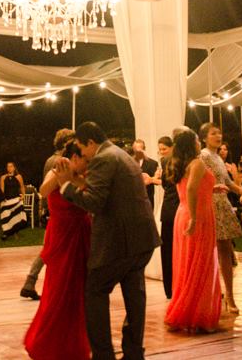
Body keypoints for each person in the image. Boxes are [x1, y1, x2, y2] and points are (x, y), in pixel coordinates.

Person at [53, 121, 160, 360]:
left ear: (91, 142)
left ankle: (103, 355)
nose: (83, 154)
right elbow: (109, 194)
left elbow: (94, 202)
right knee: (135, 296)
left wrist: (66, 185)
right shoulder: (122, 155)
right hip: (142, 239)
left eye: (82, 148)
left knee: (95, 291)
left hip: (119, 242)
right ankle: (134, 352)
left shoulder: (103, 158)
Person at [24, 140, 93, 359]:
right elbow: (43, 191)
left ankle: (75, 342)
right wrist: (60, 175)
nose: (88, 163)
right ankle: (48, 340)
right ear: (74, 158)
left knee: (78, 291)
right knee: (57, 290)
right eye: (85, 159)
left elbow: (92, 195)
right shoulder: (56, 170)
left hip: (81, 235)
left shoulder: (86, 175)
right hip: (61, 235)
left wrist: (72, 178)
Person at [164, 128, 221, 333]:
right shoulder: (197, 163)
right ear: (192, 143)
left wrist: (213, 188)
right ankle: (198, 316)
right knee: (201, 264)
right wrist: (195, 218)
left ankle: (187, 311)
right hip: (197, 216)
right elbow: (190, 188)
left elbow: (191, 187)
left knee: (187, 264)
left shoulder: (180, 163)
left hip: (184, 213)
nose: (199, 142)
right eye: (197, 139)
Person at [20, 128, 75, 301]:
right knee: (51, 248)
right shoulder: (59, 161)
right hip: (62, 209)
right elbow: (49, 187)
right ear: (66, 143)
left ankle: (31, 282)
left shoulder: (51, 159)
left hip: (55, 209)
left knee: (51, 247)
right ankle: (34, 281)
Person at [199, 122, 242, 313]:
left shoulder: (217, 157)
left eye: (219, 133)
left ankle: (230, 295)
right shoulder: (203, 156)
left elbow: (226, 181)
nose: (218, 136)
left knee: (226, 250)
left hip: (222, 203)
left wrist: (241, 190)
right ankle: (213, 293)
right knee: (211, 252)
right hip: (210, 204)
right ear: (204, 138)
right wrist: (213, 189)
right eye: (213, 133)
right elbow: (198, 182)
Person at [156, 134, 179, 299]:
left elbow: (165, 184)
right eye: (161, 150)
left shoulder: (166, 162)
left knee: (168, 252)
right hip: (175, 209)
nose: (162, 152)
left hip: (170, 209)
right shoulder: (175, 161)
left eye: (164, 149)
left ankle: (170, 288)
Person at [0, 161, 28, 240]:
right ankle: (6, 232)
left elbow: (22, 187)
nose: (9, 168)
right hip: (7, 200)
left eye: (11, 166)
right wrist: (3, 198)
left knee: (19, 211)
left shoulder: (18, 176)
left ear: (14, 168)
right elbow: (2, 190)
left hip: (16, 199)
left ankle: (15, 231)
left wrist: (23, 195)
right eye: (8, 166)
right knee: (5, 213)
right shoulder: (3, 177)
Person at [132, 138, 160, 208]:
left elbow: (157, 181)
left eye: (139, 150)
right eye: (135, 150)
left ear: (144, 149)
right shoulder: (128, 163)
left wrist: (150, 179)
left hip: (147, 199)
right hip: (132, 199)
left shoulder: (152, 163)